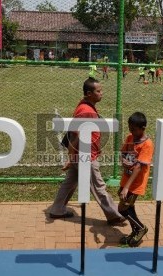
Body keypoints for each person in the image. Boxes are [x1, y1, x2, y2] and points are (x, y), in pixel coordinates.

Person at [49, 78, 126, 226]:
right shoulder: (86, 110)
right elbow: (74, 135)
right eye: (98, 91)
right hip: (85, 156)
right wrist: (71, 158)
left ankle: (57, 209)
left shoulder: (87, 105)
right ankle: (114, 215)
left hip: (85, 153)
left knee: (70, 182)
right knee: (98, 186)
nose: (101, 93)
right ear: (89, 93)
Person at [118, 112, 154, 247]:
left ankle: (140, 228)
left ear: (143, 127)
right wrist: (123, 160)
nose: (131, 131)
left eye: (134, 129)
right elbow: (122, 152)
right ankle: (134, 232)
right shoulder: (130, 137)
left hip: (135, 183)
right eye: (129, 128)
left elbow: (139, 167)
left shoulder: (147, 144)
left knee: (122, 209)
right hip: (126, 178)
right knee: (128, 206)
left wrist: (127, 187)